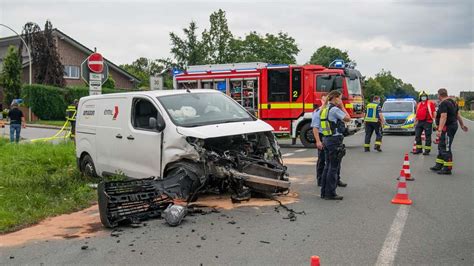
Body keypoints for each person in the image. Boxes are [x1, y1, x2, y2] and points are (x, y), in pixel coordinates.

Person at [318, 90, 351, 200]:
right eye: (340, 98)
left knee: (327, 166)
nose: (341, 100)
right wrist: (342, 107)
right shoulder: (335, 110)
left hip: (326, 139)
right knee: (333, 167)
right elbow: (348, 118)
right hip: (334, 140)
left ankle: (324, 192)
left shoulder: (324, 109)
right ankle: (330, 193)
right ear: (335, 98)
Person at [430, 88, 468, 175]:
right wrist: (462, 125)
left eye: (438, 95)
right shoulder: (453, 102)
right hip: (452, 125)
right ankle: (439, 164)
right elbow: (457, 115)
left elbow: (443, 116)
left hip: (448, 127)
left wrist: (439, 130)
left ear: (439, 95)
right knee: (441, 145)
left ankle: (447, 168)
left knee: (445, 146)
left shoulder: (444, 103)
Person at [311, 96, 347, 188]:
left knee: (336, 160)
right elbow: (315, 127)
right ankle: (321, 180)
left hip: (331, 136)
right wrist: (318, 141)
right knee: (322, 160)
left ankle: (336, 179)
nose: (326, 101)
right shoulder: (318, 111)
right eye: (324, 100)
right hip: (323, 136)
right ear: (321, 100)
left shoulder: (331, 110)